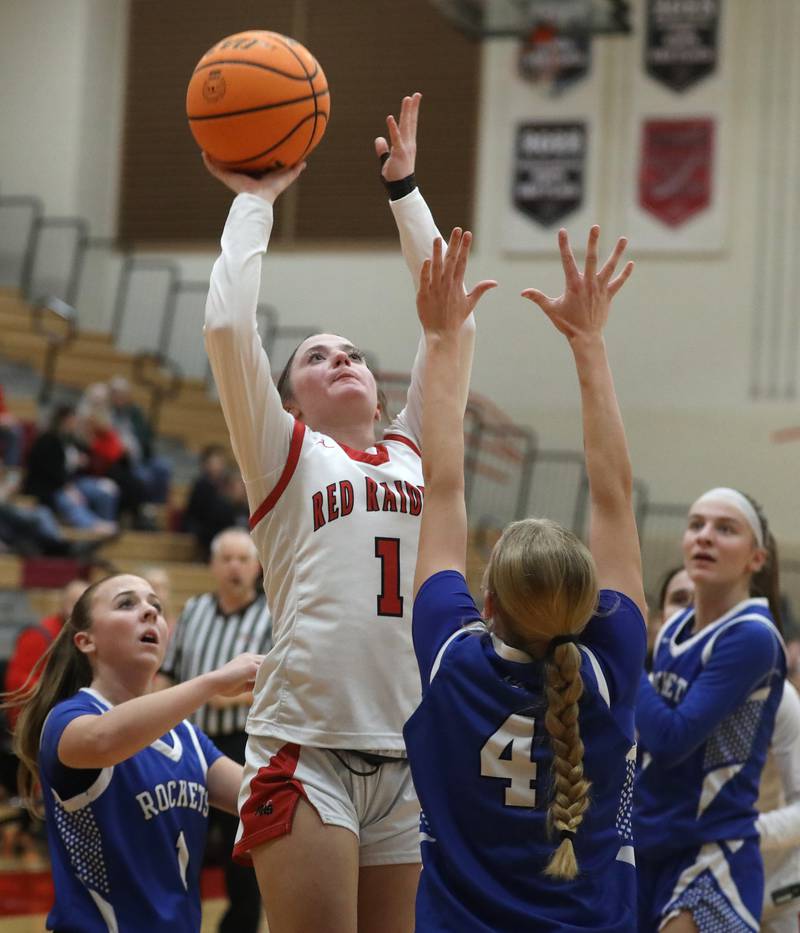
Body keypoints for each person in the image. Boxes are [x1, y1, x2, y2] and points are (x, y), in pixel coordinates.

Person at [202, 93, 469, 932]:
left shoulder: (415, 449)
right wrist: (255, 199)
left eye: (352, 352)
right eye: (316, 356)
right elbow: (224, 324)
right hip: (305, 745)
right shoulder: (285, 453)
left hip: (410, 748)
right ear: (288, 399)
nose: (339, 358)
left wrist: (406, 191)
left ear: (379, 386)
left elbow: (447, 318)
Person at [404, 224, 644, 932]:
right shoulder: (610, 667)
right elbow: (614, 495)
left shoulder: (453, 661)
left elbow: (443, 488)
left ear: (485, 601)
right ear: (590, 600)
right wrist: (589, 344)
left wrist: (443, 340)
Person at [5, 573, 263, 932]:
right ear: (86, 640)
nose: (149, 612)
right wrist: (214, 681)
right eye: (127, 603)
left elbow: (260, 799)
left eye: (156, 607)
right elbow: (104, 740)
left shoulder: (187, 736)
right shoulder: (68, 720)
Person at [635, 489, 786, 932]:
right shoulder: (674, 629)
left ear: (755, 559)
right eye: (696, 524)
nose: (705, 537)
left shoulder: (752, 636)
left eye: (725, 529)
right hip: (650, 840)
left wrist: (623, 659)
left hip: (710, 852)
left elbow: (669, 739)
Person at [652, 561, 800, 932]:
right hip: (668, 866)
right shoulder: (649, 693)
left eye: (704, 599)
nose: (694, 608)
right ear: (659, 621)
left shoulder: (776, 695)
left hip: (769, 880)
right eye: (681, 599)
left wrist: (736, 828)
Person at [158, 528, 272, 933]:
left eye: (243, 559)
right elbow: (168, 672)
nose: (235, 567)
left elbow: (285, 685)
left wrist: (228, 697)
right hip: (189, 738)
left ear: (258, 566)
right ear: (212, 565)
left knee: (241, 846)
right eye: (227, 559)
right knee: (179, 836)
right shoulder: (193, 611)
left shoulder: (272, 614)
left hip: (244, 742)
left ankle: (239, 926)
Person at [5, 579, 89, 728]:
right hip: (39, 720)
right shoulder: (39, 634)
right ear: (62, 604)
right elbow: (18, 682)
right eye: (74, 603)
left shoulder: (85, 637)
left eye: (84, 605)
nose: (78, 610)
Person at [23, 404, 118, 532]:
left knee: (106, 490)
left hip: (72, 481)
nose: (76, 423)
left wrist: (83, 461)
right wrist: (68, 487)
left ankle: (107, 521)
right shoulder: (47, 440)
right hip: (49, 487)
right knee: (69, 499)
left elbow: (89, 460)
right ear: (65, 420)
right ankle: (92, 524)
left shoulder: (70, 440)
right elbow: (49, 471)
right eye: (74, 420)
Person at [109, 375, 172, 504]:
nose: (120, 397)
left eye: (123, 394)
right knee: (143, 477)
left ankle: (154, 506)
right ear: (112, 396)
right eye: (117, 394)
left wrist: (138, 442)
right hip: (126, 460)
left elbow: (147, 435)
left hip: (143, 454)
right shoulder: (108, 413)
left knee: (164, 466)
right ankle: (143, 507)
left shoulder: (135, 412)